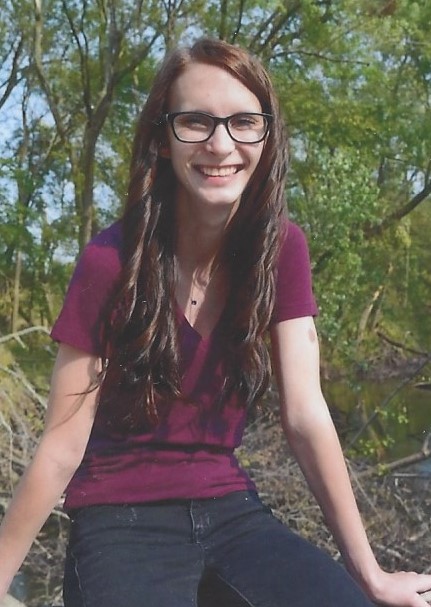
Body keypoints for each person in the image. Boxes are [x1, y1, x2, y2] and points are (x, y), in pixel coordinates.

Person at [0, 37, 430, 607]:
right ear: (162, 139)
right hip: (118, 519)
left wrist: (370, 575)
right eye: (196, 121)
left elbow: (306, 416)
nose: (220, 143)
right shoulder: (111, 263)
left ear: (267, 136)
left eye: (243, 122)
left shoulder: (282, 251)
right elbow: (60, 446)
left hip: (231, 510)